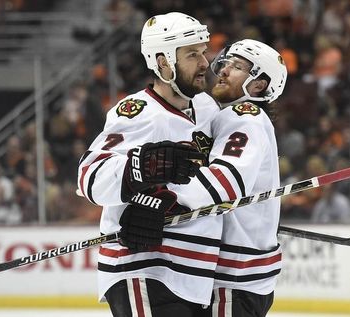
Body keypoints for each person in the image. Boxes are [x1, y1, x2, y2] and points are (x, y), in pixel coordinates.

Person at [125, 39, 288, 316]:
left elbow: (225, 181)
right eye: (224, 63)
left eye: (237, 67)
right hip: (244, 276)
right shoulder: (237, 118)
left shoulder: (244, 117)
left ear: (259, 85)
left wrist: (163, 201)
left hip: (234, 277)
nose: (223, 70)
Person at [77, 12, 223, 317]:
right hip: (143, 268)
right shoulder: (139, 112)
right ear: (163, 62)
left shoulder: (207, 108)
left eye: (203, 52)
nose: (204, 63)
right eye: (192, 54)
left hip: (194, 276)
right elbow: (89, 176)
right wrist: (141, 167)